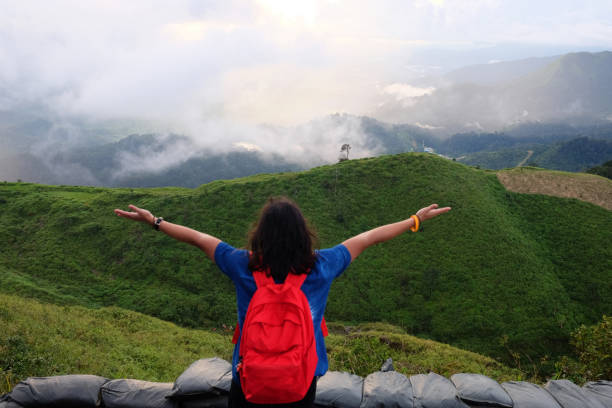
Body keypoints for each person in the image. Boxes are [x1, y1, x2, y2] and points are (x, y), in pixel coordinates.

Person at [114, 196, 451, 407]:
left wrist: (155, 221)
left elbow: (198, 239)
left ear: (260, 234)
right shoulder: (323, 265)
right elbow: (369, 237)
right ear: (304, 234)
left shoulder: (242, 264)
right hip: (301, 378)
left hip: (248, 379)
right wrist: (414, 220)